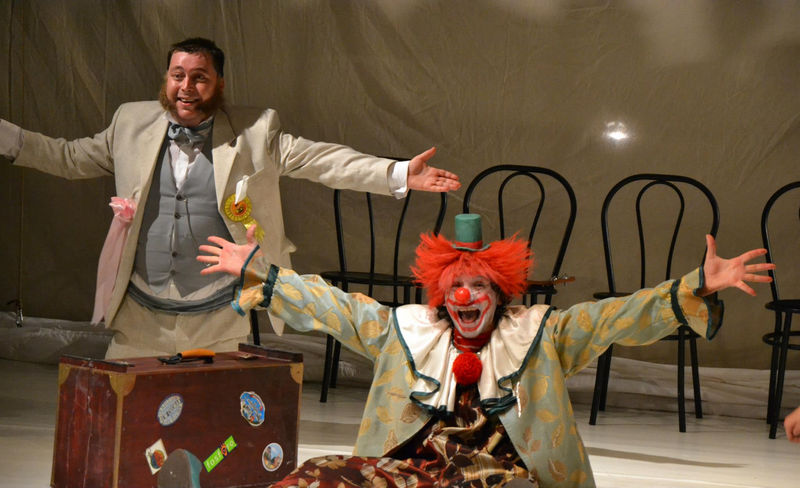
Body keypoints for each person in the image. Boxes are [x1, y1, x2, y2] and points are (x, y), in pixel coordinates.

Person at [198, 213, 774, 488]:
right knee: (317, 475)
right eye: (455, 287)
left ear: (500, 293)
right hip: (412, 472)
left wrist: (694, 286)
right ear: (440, 294)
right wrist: (261, 272)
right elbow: (336, 307)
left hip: (501, 478)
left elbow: (615, 317)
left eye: (478, 286)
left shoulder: (541, 335)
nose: (465, 297)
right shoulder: (407, 331)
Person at [0, 37, 460, 359]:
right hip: (140, 312)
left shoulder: (256, 130)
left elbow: (321, 160)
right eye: (177, 75)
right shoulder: (130, 123)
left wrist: (397, 173)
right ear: (166, 79)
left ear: (219, 83)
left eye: (199, 77)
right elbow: (68, 157)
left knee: (212, 431)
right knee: (128, 428)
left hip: (217, 313)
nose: (186, 87)